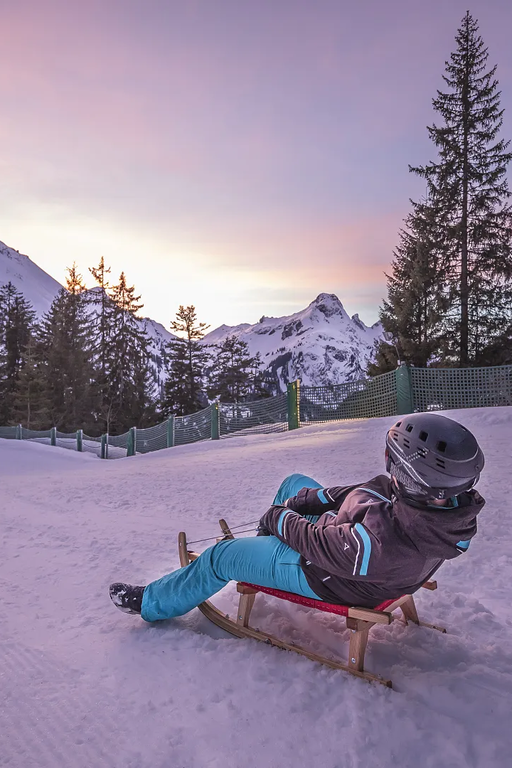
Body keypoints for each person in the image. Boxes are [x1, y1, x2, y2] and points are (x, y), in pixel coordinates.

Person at [110, 412, 485, 621]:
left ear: (409, 473)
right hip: (345, 548)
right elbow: (365, 491)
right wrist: (307, 499)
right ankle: (262, 549)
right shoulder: (435, 504)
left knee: (221, 557)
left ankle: (151, 604)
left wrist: (278, 518)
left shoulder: (383, 544)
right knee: (294, 482)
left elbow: (314, 543)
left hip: (319, 573)